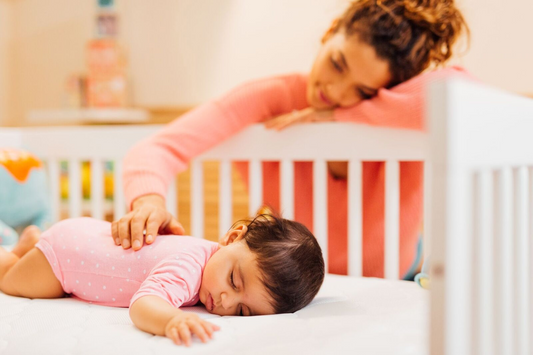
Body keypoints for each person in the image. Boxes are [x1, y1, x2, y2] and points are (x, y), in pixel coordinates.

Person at [113, 0, 471, 278]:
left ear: (390, 91)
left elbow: (461, 91)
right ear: (330, 32)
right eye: (337, 63)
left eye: (363, 90)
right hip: (300, 279)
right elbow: (156, 148)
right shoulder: (274, 97)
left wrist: (344, 117)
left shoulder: (402, 109)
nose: (334, 91)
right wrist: (148, 203)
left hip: (403, 272)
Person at [0, 214, 324, 346]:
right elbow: (144, 304)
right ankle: (13, 252)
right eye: (234, 281)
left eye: (243, 311)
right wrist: (170, 320)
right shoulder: (188, 268)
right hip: (63, 260)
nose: (226, 300)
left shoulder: (209, 257)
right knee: (8, 281)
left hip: (82, 232)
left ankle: (28, 244)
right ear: (233, 236)